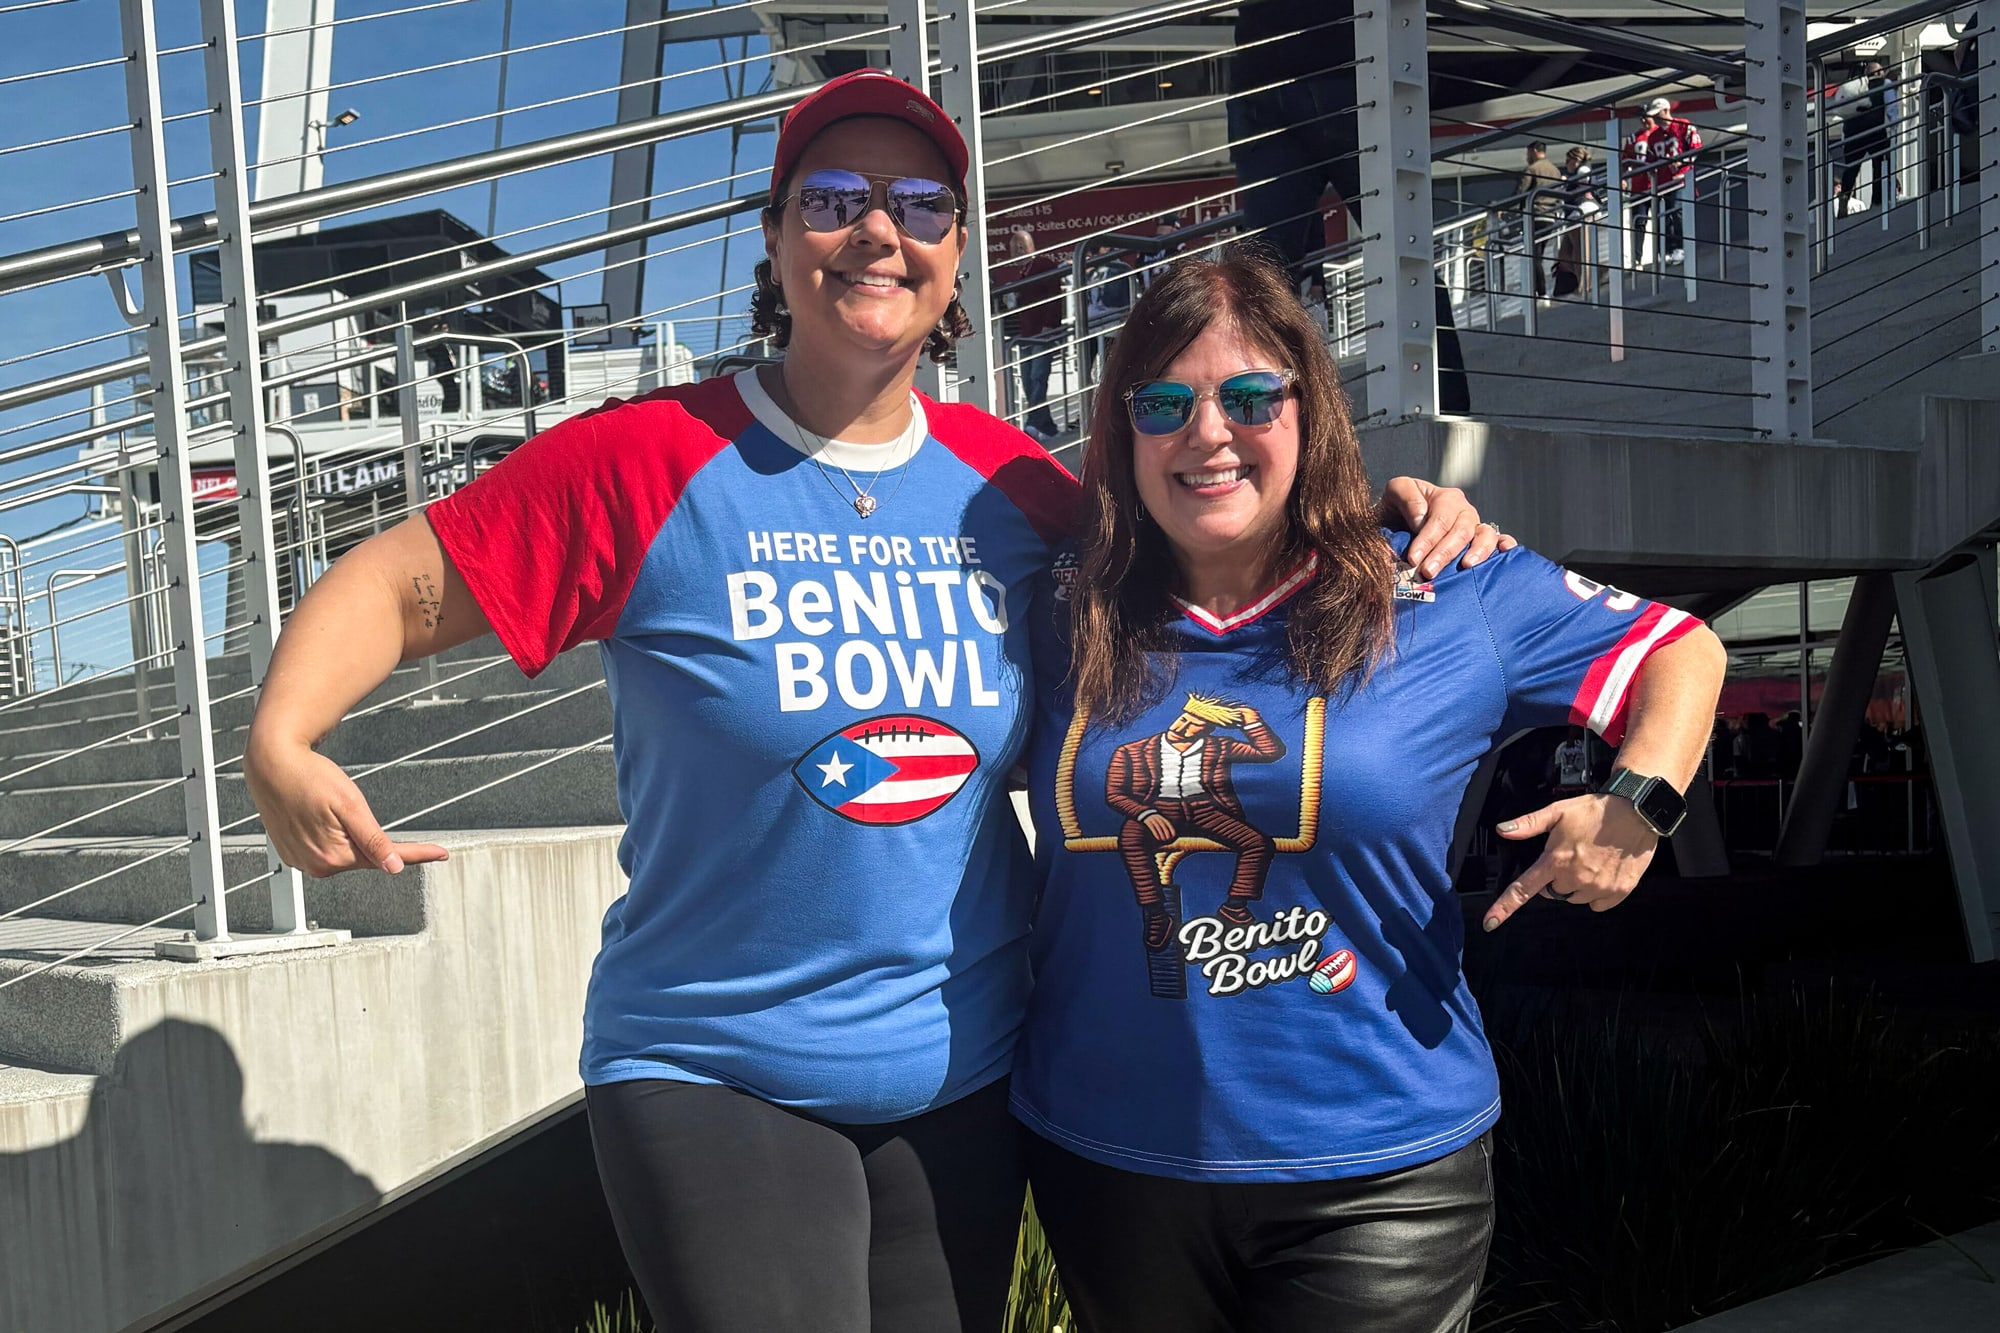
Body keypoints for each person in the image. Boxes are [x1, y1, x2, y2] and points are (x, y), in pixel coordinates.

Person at [238, 72, 1503, 1333]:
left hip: (965, 1072)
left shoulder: (1012, 485)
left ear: (957, 253)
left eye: (920, 204)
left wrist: (1379, 515)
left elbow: (1211, 554)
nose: (878, 230)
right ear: (777, 236)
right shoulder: (645, 460)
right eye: (834, 197)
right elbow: (402, 582)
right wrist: (283, 734)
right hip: (716, 1066)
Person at [1012, 253, 1727, 1333]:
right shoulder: (1063, 606)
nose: (1207, 432)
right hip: (1109, 1159)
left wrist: (1635, 806)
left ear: (1308, 409)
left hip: (1374, 1172)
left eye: (1250, 397)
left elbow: (1679, 646)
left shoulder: (1441, 588)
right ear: (1121, 433)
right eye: (1162, 403)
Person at [1226, 0, 1473, 412]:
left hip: (1321, 71)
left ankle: (1444, 412)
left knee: (1400, 253)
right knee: (1264, 279)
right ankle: (1270, 422)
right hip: (1312, 73)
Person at [998, 227, 1064, 440]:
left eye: (1020, 247)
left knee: (1037, 377)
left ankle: (1032, 424)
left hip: (1042, 333)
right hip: (1027, 334)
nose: (1016, 253)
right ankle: (1048, 428)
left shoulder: (1043, 265)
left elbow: (1055, 295)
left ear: (1029, 247)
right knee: (1028, 380)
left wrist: (1049, 325)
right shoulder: (1022, 273)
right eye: (1013, 249)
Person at [1626, 97, 1701, 266]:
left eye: (1656, 114)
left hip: (1681, 178)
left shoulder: (1683, 126)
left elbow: (1696, 148)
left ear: (1666, 111)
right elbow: (1651, 160)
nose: (1656, 119)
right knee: (1665, 216)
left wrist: (1682, 161)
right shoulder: (1654, 137)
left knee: (1677, 211)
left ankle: (1682, 247)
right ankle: (1668, 249)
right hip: (1663, 182)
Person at [1835, 62, 1894, 215]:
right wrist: (1895, 128)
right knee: (1880, 166)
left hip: (1852, 134)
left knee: (1852, 169)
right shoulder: (1885, 84)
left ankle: (1844, 198)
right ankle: (1877, 202)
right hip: (1876, 132)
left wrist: (1844, 137)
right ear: (1880, 72)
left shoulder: (1855, 88)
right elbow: (1892, 107)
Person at [1553, 144, 1601, 298]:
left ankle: (1585, 284)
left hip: (1581, 212)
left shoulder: (1583, 170)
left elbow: (1585, 182)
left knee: (1580, 252)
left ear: (1576, 160)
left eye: (1568, 161)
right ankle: (1593, 275)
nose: (1566, 164)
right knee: (1565, 253)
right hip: (1575, 213)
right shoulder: (1576, 175)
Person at [1515, 141, 1562, 297]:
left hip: (1536, 216)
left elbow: (1521, 192)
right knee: (1538, 255)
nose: (1527, 156)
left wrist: (1509, 209)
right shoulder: (1555, 170)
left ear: (1534, 151)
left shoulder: (1532, 169)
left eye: (1528, 153)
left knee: (1533, 256)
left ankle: (1540, 292)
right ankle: (1539, 292)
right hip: (1551, 217)